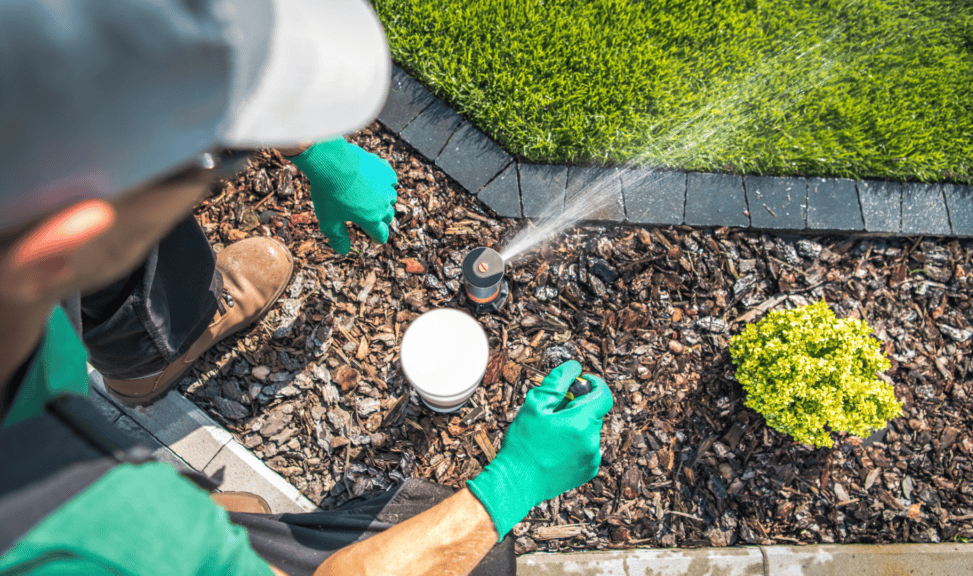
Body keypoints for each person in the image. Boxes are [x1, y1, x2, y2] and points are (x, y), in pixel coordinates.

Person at [0, 1, 615, 575]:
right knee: (478, 555)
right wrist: (513, 485)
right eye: (212, 164)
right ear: (64, 240)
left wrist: (313, 148)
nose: (222, 173)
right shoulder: (110, 541)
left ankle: (150, 355)